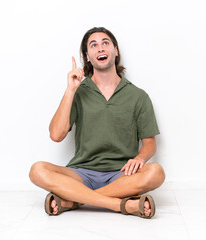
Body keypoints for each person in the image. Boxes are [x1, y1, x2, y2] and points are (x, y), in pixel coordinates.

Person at [29, 27, 165, 219]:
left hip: (122, 174)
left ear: (115, 51)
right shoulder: (78, 91)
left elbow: (150, 143)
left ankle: (73, 201)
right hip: (81, 174)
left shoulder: (138, 96)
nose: (100, 48)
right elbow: (56, 135)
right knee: (37, 170)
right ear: (88, 56)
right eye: (94, 45)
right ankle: (120, 204)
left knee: (156, 172)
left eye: (105, 43)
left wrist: (140, 159)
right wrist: (70, 90)